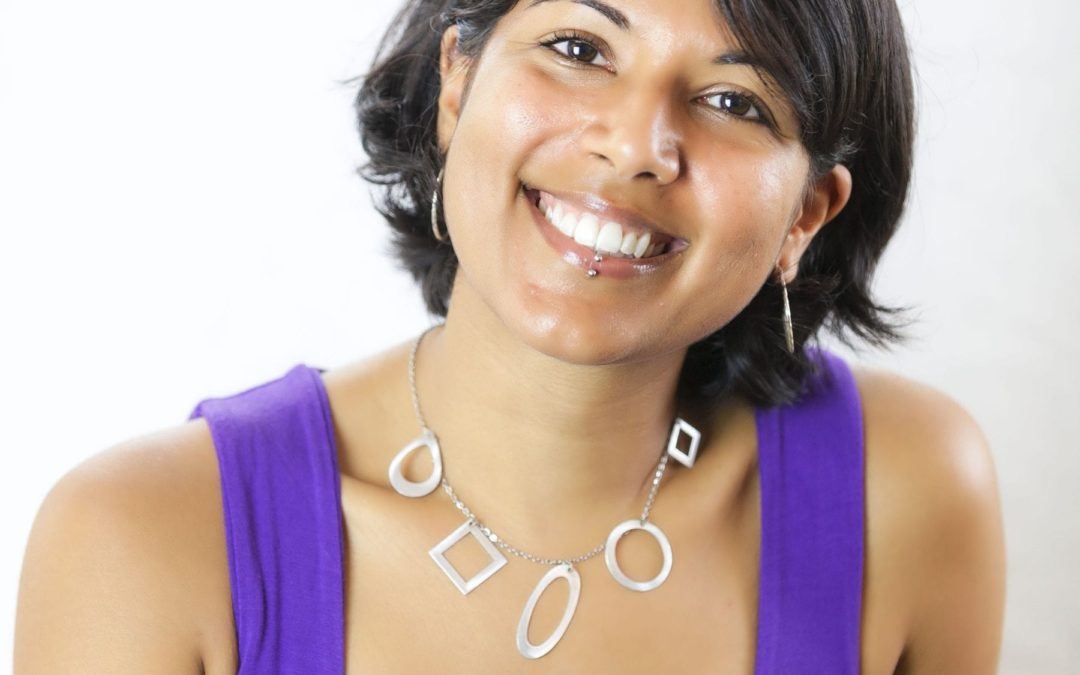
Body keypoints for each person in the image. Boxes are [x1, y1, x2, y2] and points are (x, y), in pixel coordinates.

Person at [14, 0, 1006, 672]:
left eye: (733, 102)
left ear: (808, 216)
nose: (634, 145)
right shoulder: (142, 540)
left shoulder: (905, 492)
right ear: (458, 83)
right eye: (581, 48)